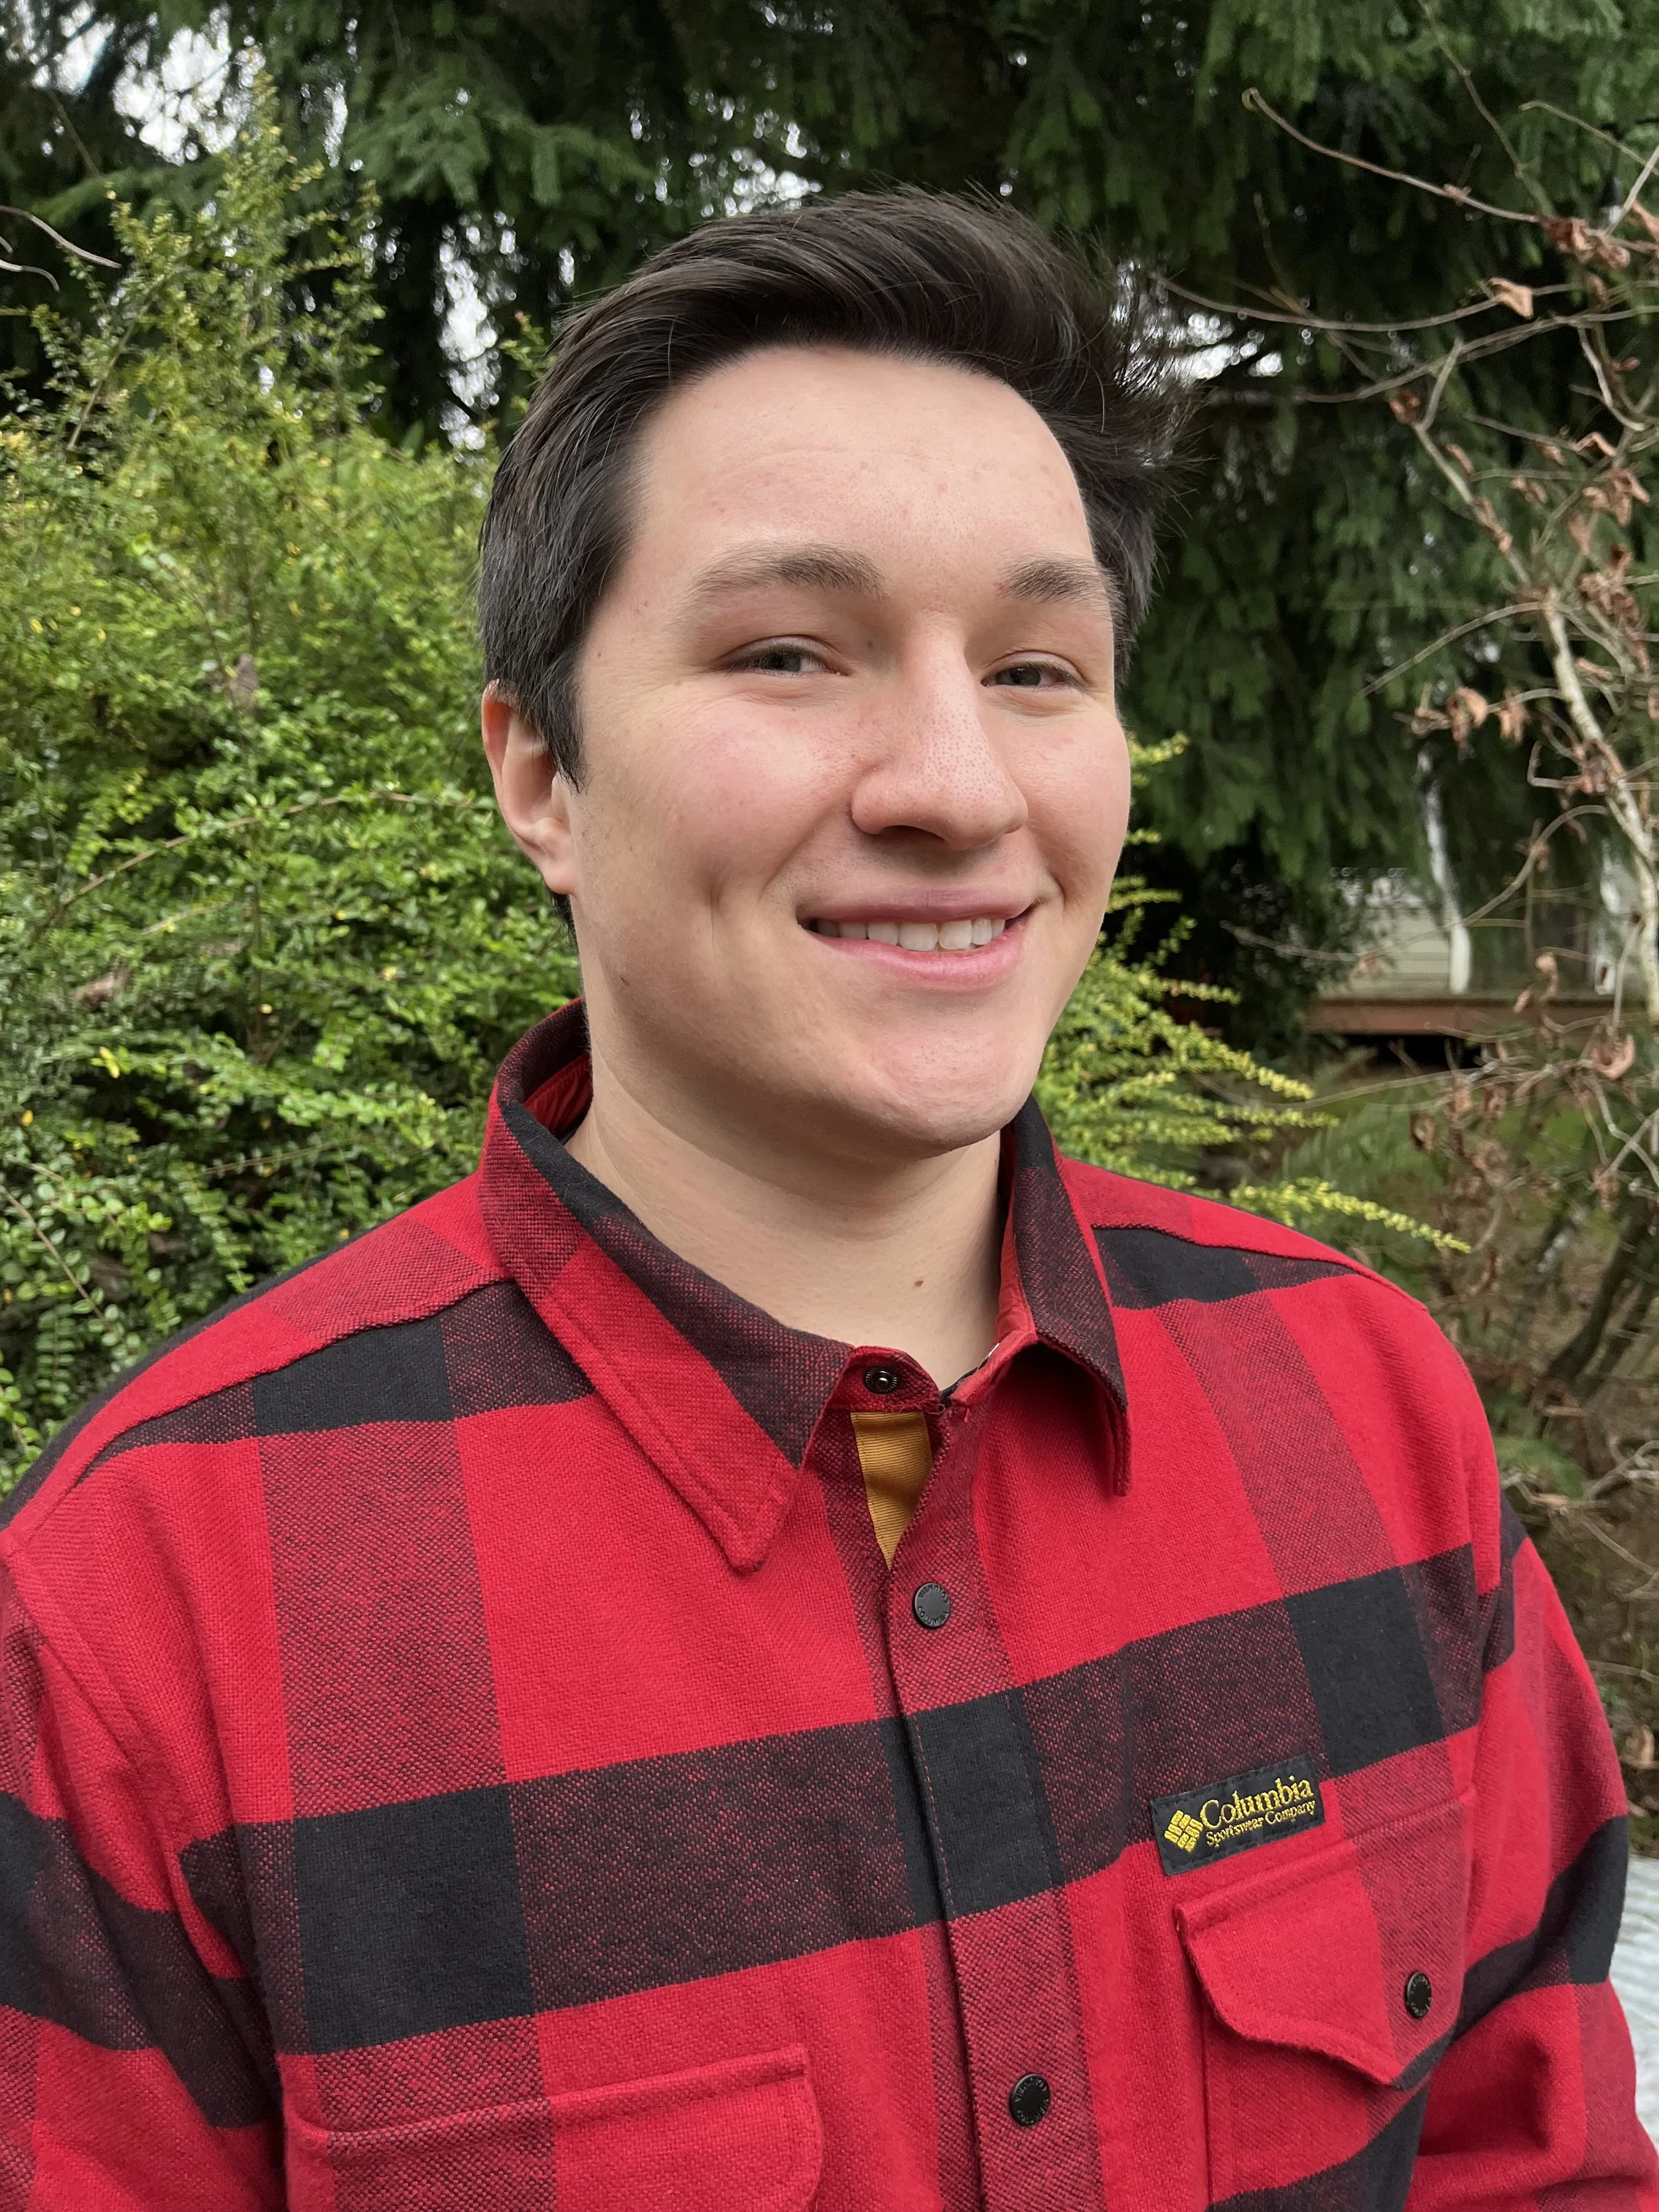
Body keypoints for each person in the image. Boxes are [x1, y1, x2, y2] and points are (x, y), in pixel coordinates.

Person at [0, 189, 1650, 2212]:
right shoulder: (143, 1605)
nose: (955, 785)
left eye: (1039, 669)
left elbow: (1539, 2160)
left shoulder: (1365, 1409)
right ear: (538, 774)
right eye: (789, 650)